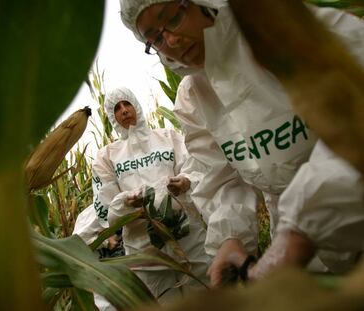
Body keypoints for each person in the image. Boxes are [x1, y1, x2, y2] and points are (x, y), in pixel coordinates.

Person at [119, 0, 364, 284]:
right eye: (156, 38)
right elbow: (220, 177)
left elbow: (354, 129)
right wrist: (230, 237)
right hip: (308, 257)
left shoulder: (287, 34)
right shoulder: (194, 98)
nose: (171, 40)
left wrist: (298, 233)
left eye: (173, 19)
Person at [91, 87, 211, 303]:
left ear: (136, 105)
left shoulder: (168, 137)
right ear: (112, 116)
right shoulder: (107, 157)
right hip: (144, 248)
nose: (124, 110)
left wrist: (184, 181)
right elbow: (106, 209)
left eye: (127, 104)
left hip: (186, 234)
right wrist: (126, 203)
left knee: (205, 295)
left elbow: (195, 169)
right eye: (117, 108)